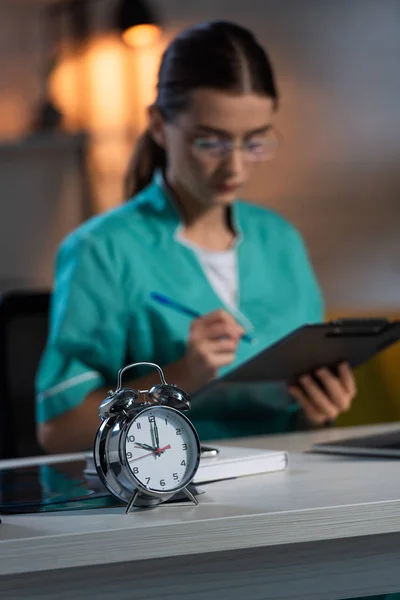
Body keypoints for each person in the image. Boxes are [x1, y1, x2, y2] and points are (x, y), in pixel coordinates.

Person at [36, 20, 357, 455]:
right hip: (170, 502)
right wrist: (182, 375)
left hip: (289, 488)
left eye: (254, 142)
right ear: (158, 126)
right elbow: (59, 433)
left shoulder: (280, 241)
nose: (236, 169)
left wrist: (316, 411)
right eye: (211, 143)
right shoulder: (101, 250)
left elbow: (298, 425)